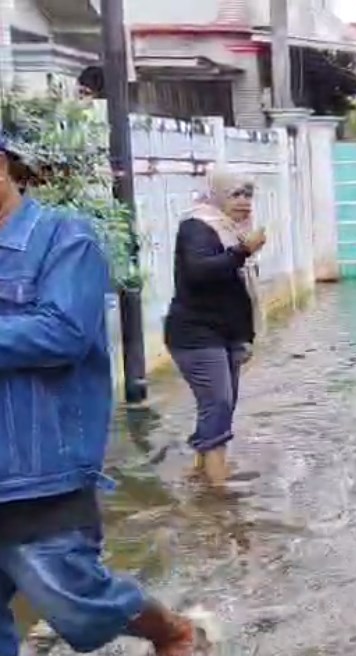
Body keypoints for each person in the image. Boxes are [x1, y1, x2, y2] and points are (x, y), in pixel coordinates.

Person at [0, 137, 200, 655]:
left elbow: (63, 331)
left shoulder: (64, 239)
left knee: (74, 598)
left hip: (40, 465)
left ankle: (169, 628)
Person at [165, 170, 265, 486]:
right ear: (218, 195)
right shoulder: (197, 226)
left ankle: (200, 470)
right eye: (236, 194)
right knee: (218, 401)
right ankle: (218, 488)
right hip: (195, 333)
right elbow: (199, 272)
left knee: (223, 401)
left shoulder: (230, 230)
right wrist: (243, 252)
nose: (244, 202)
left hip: (224, 333)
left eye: (248, 195)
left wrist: (244, 338)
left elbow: (235, 289)